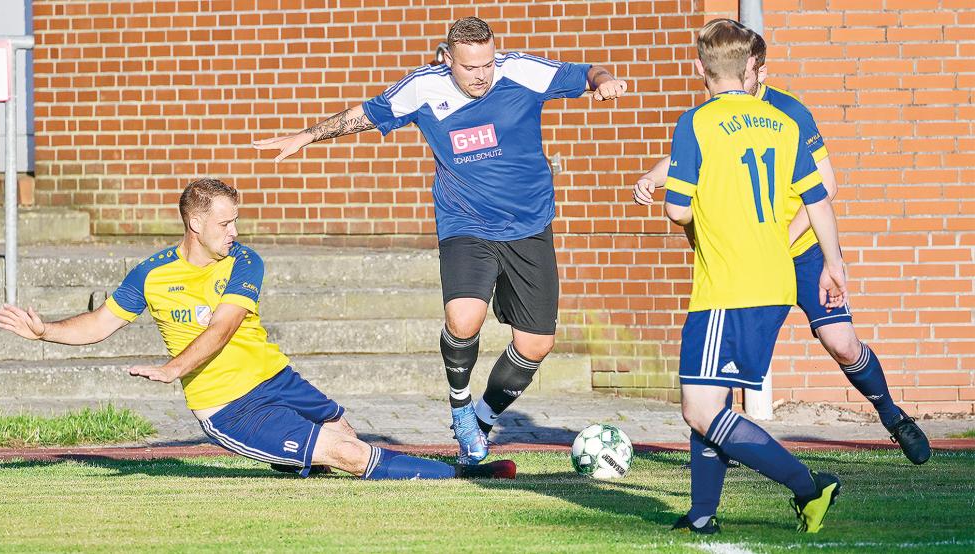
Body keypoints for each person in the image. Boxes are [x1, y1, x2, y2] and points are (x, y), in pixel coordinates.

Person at [253, 17, 628, 464]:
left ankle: (482, 418)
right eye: (470, 67)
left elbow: (585, 73)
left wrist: (604, 81)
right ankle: (460, 404)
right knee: (463, 319)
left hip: (529, 226)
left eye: (488, 64)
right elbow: (365, 115)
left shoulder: (522, 72)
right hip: (465, 223)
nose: (482, 75)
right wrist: (306, 135)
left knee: (536, 345)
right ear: (448, 59)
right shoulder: (422, 87)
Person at [0, 178, 516, 481]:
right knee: (348, 456)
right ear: (195, 225)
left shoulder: (245, 260)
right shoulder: (152, 273)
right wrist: (45, 333)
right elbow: (100, 323)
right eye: (225, 223)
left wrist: (172, 366)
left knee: (344, 433)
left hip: (276, 378)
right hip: (229, 406)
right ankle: (463, 475)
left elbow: (223, 327)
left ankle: (294, 459)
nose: (235, 231)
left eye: (235, 221)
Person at [632, 27, 930, 466]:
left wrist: (786, 240)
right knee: (720, 367)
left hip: (799, 247)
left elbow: (826, 186)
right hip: (753, 258)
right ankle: (720, 450)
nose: (745, 75)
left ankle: (892, 415)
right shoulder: (716, 113)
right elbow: (688, 159)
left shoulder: (788, 113)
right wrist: (652, 178)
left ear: (758, 69)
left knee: (842, 342)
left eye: (751, 69)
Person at [661, 19, 848, 534]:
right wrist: (833, 266)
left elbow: (677, 210)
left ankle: (810, 486)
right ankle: (701, 515)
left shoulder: (694, 123)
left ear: (701, 69)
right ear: (749, 68)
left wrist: (692, 205)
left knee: (700, 409)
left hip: (727, 283)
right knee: (712, 397)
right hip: (775, 281)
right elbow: (819, 200)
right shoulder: (782, 124)